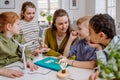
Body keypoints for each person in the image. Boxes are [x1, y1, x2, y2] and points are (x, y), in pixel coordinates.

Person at [0, 12, 38, 78]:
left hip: (16, 65)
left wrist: (28, 60)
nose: (20, 27)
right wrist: (3, 71)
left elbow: (26, 51)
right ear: (9, 26)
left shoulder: (18, 36)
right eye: (18, 24)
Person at [88, 14, 117, 80]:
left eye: (90, 32)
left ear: (101, 35)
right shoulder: (107, 44)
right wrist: (98, 47)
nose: (88, 35)